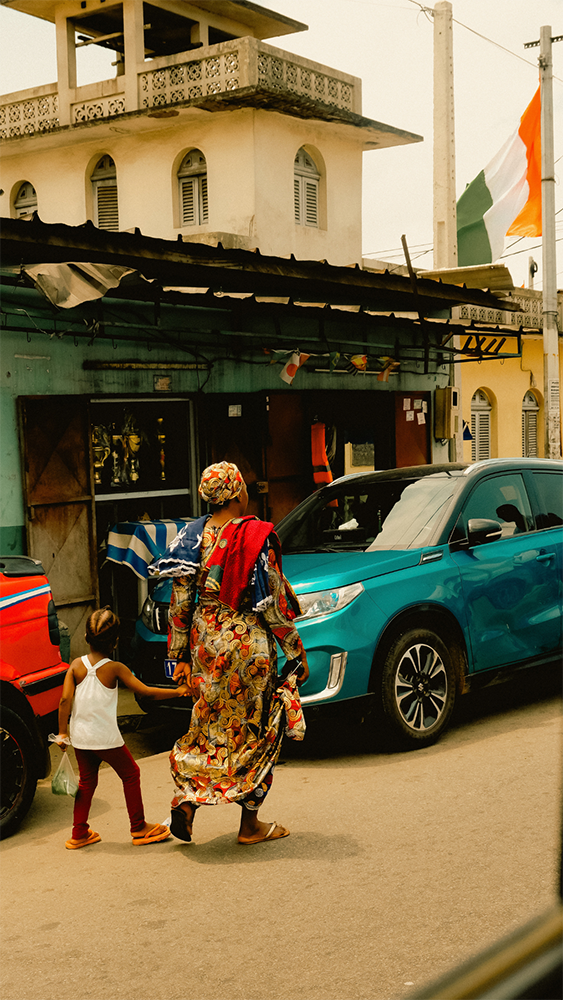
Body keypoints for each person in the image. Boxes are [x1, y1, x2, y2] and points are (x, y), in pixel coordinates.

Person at [149, 461, 309, 846]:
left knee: (209, 731)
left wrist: (180, 657)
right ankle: (249, 825)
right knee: (258, 732)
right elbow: (271, 604)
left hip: (207, 649)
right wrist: (295, 649)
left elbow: (179, 604)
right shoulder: (253, 535)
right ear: (238, 493)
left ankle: (188, 801)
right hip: (247, 649)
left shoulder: (190, 537)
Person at [55, 606, 189, 850]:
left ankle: (79, 832)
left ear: (85, 637)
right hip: (106, 739)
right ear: (115, 642)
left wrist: (62, 733)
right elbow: (146, 693)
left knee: (87, 782)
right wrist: (178, 692)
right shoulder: (116, 669)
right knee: (131, 774)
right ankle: (138, 827)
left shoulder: (75, 665)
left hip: (81, 738)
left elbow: (64, 700)